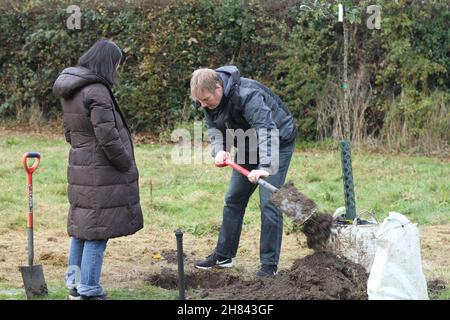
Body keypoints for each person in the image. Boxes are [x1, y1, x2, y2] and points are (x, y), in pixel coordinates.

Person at [52, 39, 143, 299]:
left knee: (83, 229)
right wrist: (126, 163)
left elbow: (69, 133)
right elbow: (108, 137)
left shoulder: (72, 89)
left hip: (80, 166)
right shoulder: (97, 91)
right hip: (101, 171)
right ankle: (89, 288)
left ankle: (74, 285)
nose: (117, 68)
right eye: (116, 63)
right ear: (107, 62)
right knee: (97, 232)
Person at [190, 66, 297, 277]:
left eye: (206, 99)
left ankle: (268, 266)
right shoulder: (206, 98)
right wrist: (220, 149)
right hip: (248, 144)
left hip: (277, 142)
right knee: (233, 199)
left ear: (219, 87)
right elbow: (214, 127)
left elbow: (266, 129)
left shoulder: (248, 95)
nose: (203, 105)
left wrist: (264, 167)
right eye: (200, 101)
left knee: (270, 202)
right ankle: (224, 255)